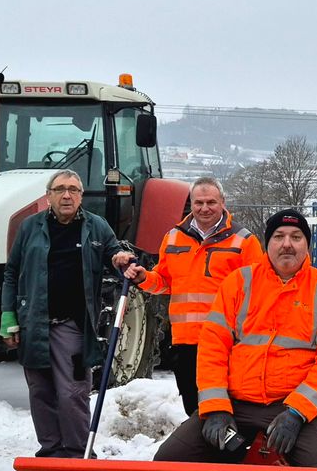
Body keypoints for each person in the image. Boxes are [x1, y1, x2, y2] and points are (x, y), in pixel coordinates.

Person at [154, 208, 317, 468]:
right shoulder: (238, 282)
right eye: (279, 236)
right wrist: (215, 408)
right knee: (169, 460)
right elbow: (212, 347)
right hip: (237, 402)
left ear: (307, 245)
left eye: (296, 237)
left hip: (293, 405)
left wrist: (297, 412)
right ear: (267, 243)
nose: (287, 244)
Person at [1, 170, 127, 458]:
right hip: (33, 325)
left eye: (73, 189)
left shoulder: (96, 226)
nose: (66, 195)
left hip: (72, 326)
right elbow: (11, 272)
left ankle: (78, 455)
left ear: (81, 195)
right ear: (48, 196)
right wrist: (8, 317)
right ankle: (51, 454)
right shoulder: (30, 227)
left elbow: (114, 253)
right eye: (59, 189)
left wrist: (120, 258)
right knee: (41, 393)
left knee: (72, 394)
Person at [112, 178, 263, 417]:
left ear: (223, 203)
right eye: (199, 202)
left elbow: (259, 291)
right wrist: (143, 278)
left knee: (226, 409)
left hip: (226, 342)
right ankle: (197, 454)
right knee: (194, 410)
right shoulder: (173, 238)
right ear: (191, 204)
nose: (205, 208)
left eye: (211, 202)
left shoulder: (244, 241)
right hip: (185, 343)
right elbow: (164, 282)